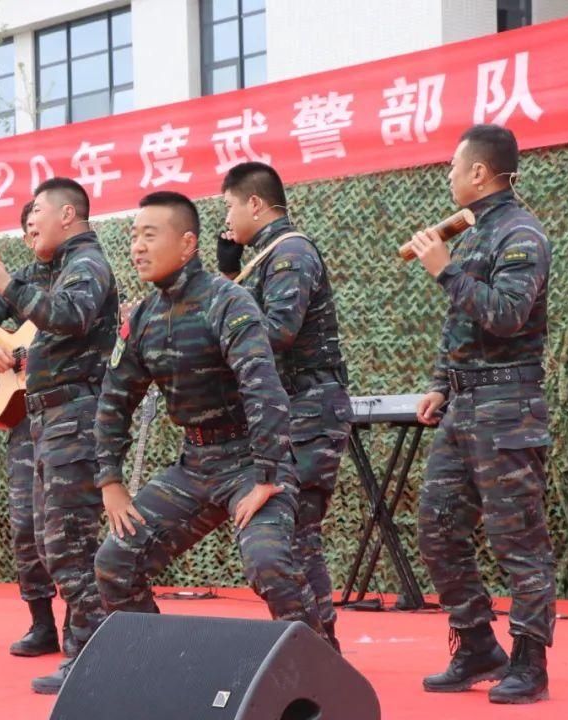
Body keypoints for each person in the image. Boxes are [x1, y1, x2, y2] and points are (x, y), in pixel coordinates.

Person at [94, 191, 325, 640]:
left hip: (249, 463)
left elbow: (264, 389)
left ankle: (315, 666)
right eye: (133, 236)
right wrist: (110, 480)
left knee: (269, 564)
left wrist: (267, 475)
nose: (137, 246)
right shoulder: (142, 318)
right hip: (194, 467)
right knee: (115, 562)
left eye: (149, 235)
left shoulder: (228, 302)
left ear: (187, 244)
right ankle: (156, 673)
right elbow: (114, 400)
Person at [406, 124, 555, 704]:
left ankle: (529, 661)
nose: (447, 175)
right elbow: (461, 325)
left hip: (508, 407)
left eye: (453, 166)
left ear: (478, 172)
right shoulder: (472, 234)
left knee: (518, 539)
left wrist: (445, 269)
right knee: (437, 529)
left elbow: (507, 316)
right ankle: (475, 646)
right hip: (464, 405)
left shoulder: (521, 234)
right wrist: (441, 383)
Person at [0, 178, 118, 694]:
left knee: (69, 547)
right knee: (50, 543)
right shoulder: (42, 270)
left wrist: (8, 285)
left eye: (38, 211)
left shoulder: (87, 265)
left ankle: (95, 654)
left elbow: (70, 317)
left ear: (69, 215)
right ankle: (89, 652)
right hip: (44, 423)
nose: (30, 221)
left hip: (76, 419)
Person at [221, 162, 352, 650]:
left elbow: (277, 331)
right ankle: (321, 642)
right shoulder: (265, 255)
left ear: (255, 203)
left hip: (311, 407)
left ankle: (317, 645)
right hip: (297, 407)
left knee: (293, 530)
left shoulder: (290, 252)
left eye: (231, 205)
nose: (227, 218)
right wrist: (230, 273)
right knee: (298, 532)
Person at [0, 201, 72, 658]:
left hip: (66, 415)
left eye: (37, 224)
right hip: (24, 422)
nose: (32, 234)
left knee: (62, 528)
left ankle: (81, 628)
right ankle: (41, 623)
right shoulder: (15, 280)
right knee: (25, 526)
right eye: (26, 229)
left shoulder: (80, 274)